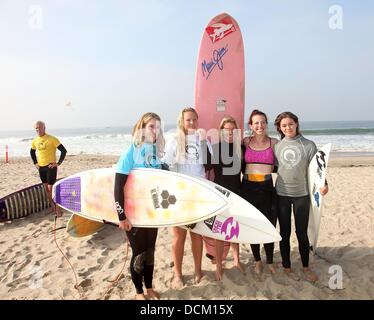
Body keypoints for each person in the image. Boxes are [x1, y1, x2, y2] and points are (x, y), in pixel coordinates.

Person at [114, 112, 164, 300]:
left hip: (151, 212)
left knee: (150, 251)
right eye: (151, 126)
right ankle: (139, 292)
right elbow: (118, 185)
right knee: (138, 253)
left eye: (158, 127)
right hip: (133, 213)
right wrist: (121, 216)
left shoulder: (154, 152)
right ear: (142, 128)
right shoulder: (132, 151)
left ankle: (149, 288)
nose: (155, 130)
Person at [274, 111, 328, 282]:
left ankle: (305, 266)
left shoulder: (308, 145)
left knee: (302, 233)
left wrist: (325, 184)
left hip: (302, 195)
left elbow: (319, 169)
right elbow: (271, 167)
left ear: (296, 124)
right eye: (284, 125)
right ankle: (287, 266)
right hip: (281, 194)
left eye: (290, 124)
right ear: (280, 128)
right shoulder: (277, 146)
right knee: (284, 232)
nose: (287, 127)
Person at [162, 107, 210, 288]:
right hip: (179, 195)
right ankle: (178, 274)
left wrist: (204, 141)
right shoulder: (174, 141)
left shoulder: (202, 140)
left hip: (199, 194)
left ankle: (198, 270)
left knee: (197, 235)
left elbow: (209, 163)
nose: (191, 123)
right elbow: (165, 165)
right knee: (178, 236)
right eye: (188, 120)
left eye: (194, 119)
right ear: (182, 121)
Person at [207, 116, 245, 280]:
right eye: (226, 129)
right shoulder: (214, 148)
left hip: (237, 192)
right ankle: (220, 264)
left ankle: (237, 260)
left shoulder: (240, 148)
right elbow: (206, 168)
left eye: (232, 129)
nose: (229, 132)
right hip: (220, 194)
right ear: (221, 131)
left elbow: (246, 170)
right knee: (219, 230)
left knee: (235, 228)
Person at [241, 109, 278, 275]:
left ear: (266, 124)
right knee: (253, 224)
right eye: (256, 122)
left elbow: (285, 164)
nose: (260, 125)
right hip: (248, 188)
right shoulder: (245, 141)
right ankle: (257, 260)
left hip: (267, 188)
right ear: (251, 125)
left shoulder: (274, 143)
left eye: (262, 122)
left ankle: (269, 261)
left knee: (269, 225)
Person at [30, 121, 67, 217]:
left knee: (52, 189)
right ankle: (52, 207)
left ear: (44, 128)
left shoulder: (52, 139)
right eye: (36, 128)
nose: (37, 130)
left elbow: (63, 150)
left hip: (51, 167)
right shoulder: (35, 140)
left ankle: (58, 209)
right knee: (46, 189)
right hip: (41, 168)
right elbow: (32, 152)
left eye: (39, 127)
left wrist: (58, 163)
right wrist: (35, 163)